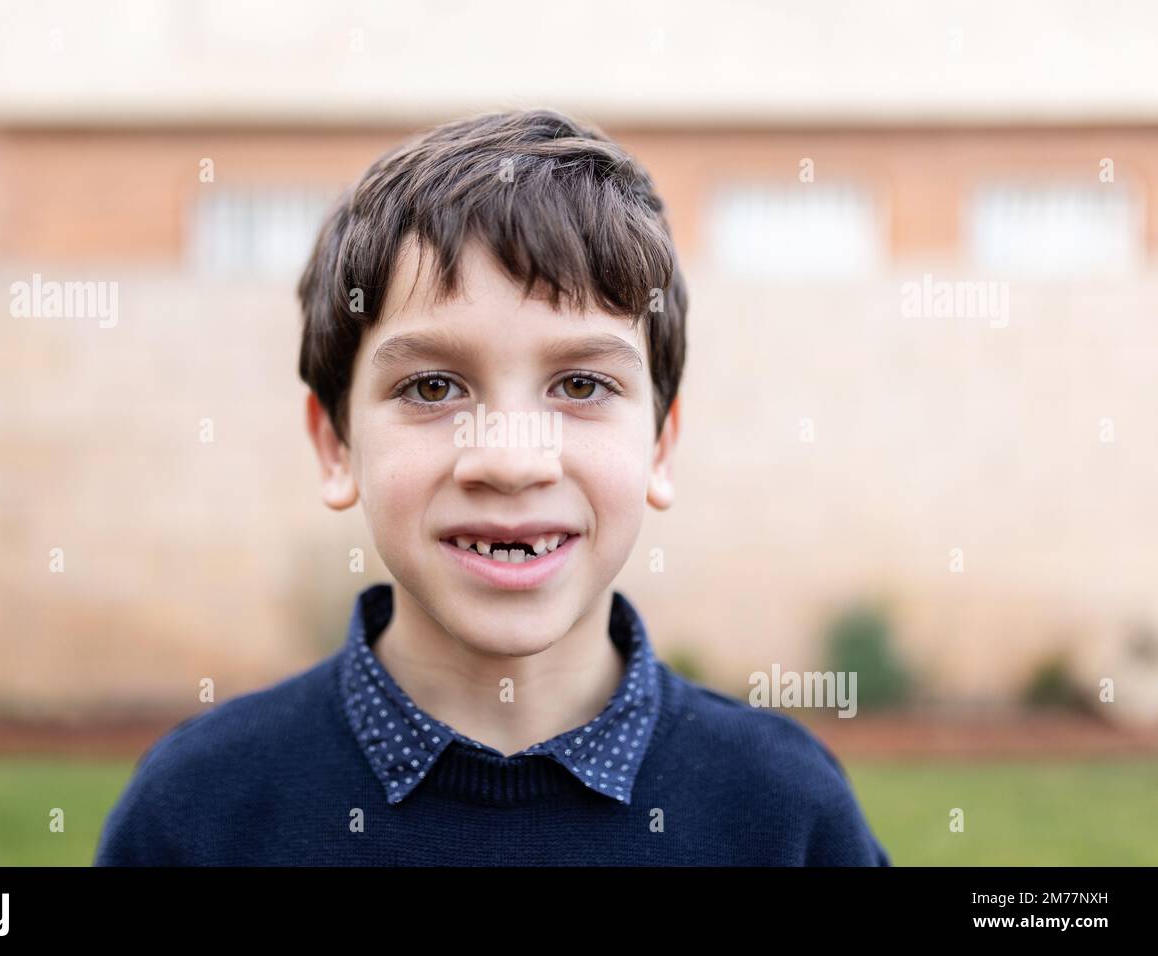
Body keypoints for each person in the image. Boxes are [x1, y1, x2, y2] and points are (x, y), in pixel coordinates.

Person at [94, 108, 891, 866]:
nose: (510, 461)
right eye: (434, 388)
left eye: (580, 386)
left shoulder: (784, 813)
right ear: (336, 443)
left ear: (660, 445)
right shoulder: (198, 813)